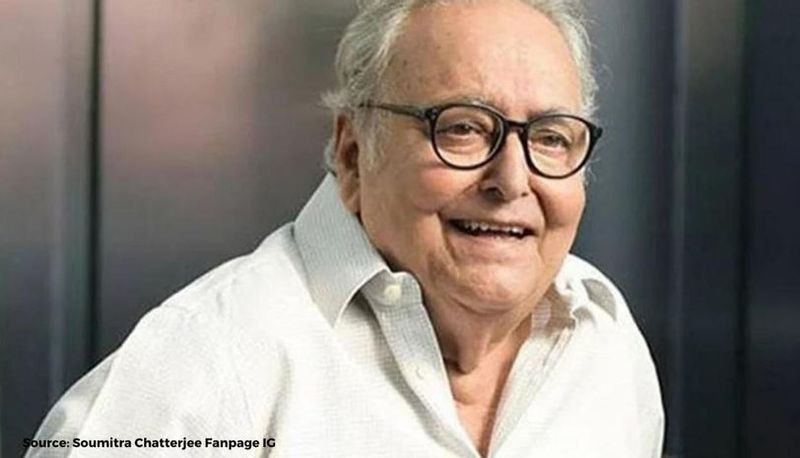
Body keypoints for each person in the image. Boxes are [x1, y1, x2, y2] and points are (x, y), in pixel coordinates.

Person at [29, 0, 664, 456]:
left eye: (551, 138)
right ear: (354, 153)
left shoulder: (603, 342)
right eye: (463, 128)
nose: (512, 179)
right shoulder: (203, 366)